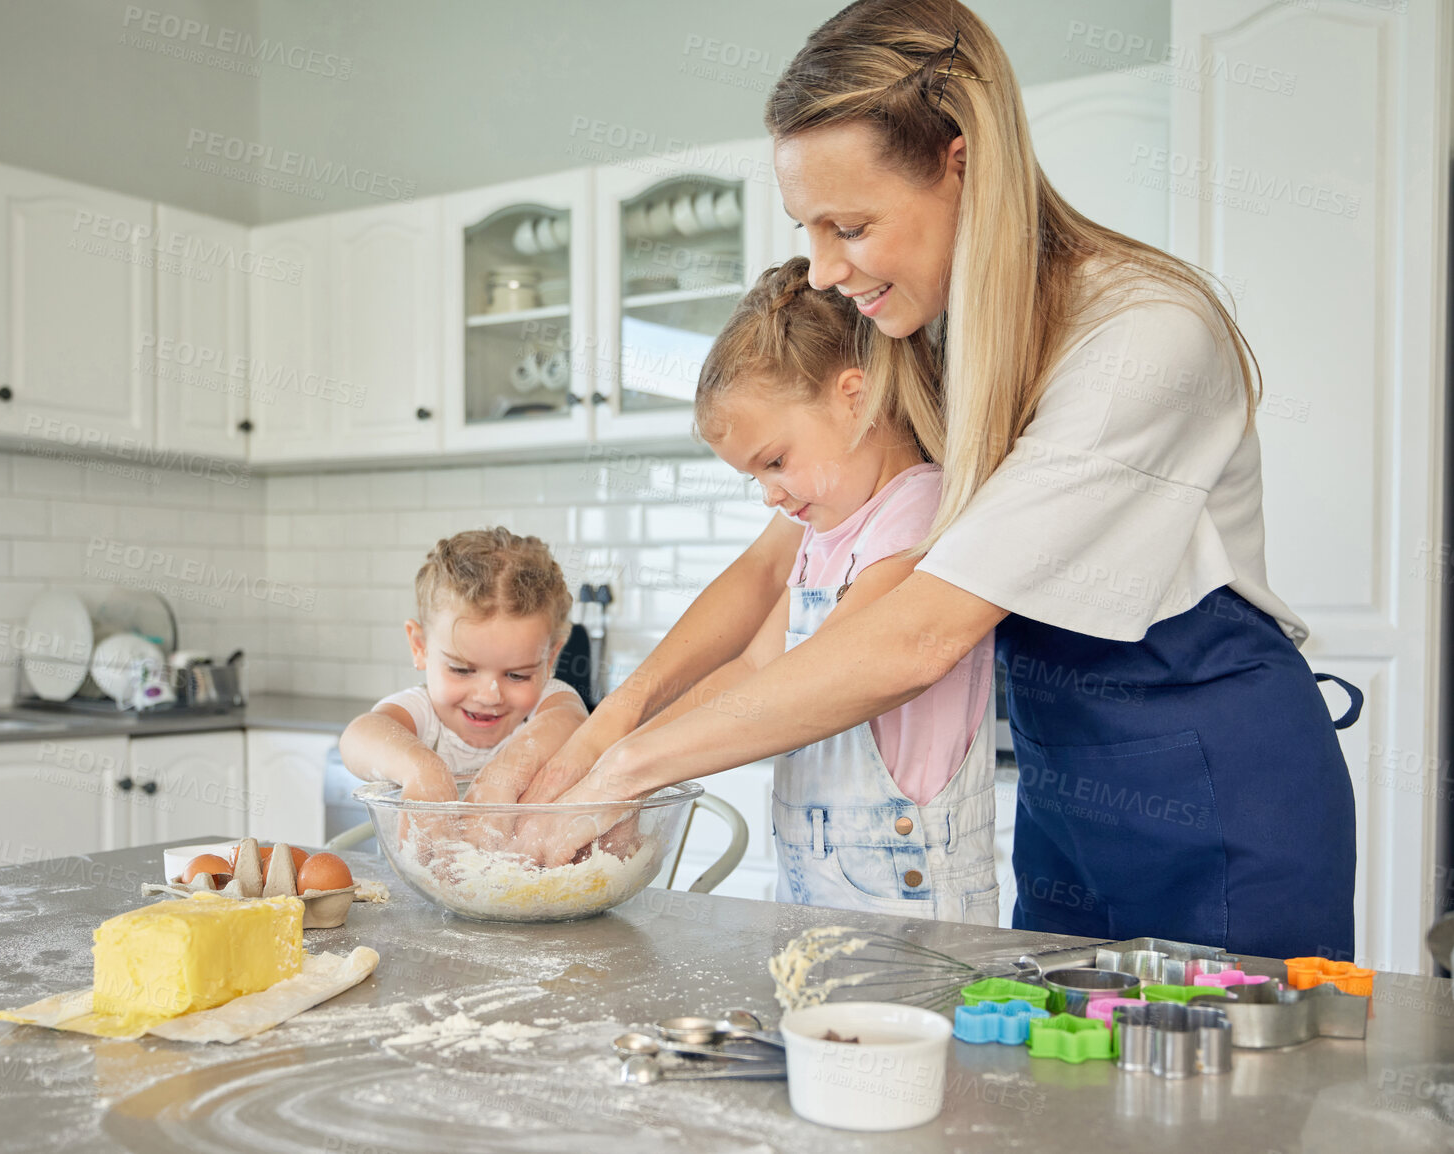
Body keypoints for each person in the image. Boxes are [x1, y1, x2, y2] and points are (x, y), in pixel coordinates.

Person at [517, 0, 1360, 961]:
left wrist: (626, 773)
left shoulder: (1140, 337)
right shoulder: (927, 341)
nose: (825, 271)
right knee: (1062, 1094)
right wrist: (613, 720)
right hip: (1068, 787)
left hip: (1218, 795)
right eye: (808, 230)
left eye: (851, 225)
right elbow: (773, 564)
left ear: (962, 162)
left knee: (1226, 1105)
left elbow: (921, 632)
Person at [618, 256, 999, 921]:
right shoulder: (824, 536)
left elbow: (825, 674)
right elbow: (753, 668)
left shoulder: (918, 509)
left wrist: (630, 770)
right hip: (814, 890)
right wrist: (624, 762)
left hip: (907, 896)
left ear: (852, 396)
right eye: (753, 477)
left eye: (775, 461)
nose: (769, 493)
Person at [338, 528, 586, 806]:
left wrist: (503, 776)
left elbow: (571, 721)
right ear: (420, 646)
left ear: (550, 658)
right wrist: (422, 770)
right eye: (462, 670)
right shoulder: (424, 713)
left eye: (518, 675)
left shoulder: (546, 702)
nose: (489, 695)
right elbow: (357, 737)